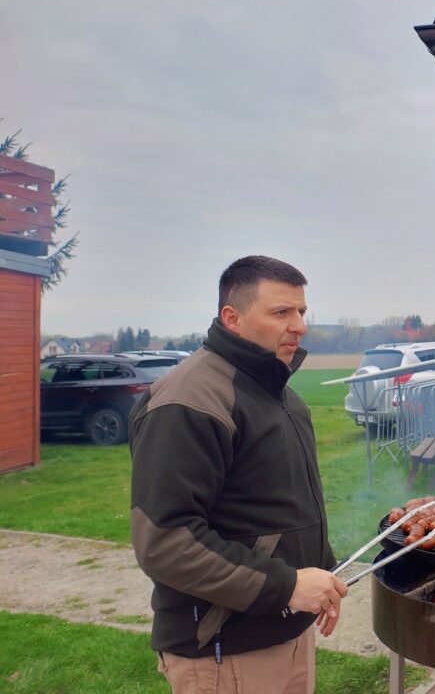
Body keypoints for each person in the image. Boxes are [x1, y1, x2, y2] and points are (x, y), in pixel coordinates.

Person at [129, 255, 347, 694]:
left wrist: (321, 576)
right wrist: (286, 586)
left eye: (302, 311)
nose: (300, 325)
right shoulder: (190, 400)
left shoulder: (280, 396)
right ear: (233, 318)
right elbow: (166, 540)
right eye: (281, 312)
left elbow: (277, 507)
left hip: (288, 631)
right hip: (224, 651)